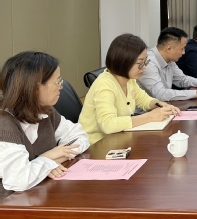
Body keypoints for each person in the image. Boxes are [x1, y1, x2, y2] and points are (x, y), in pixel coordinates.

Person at [0, 51, 90, 191]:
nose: (61, 86)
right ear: (36, 88)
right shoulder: (4, 123)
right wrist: (47, 158)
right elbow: (19, 180)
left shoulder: (44, 110)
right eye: (57, 81)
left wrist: (49, 160)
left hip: (40, 191)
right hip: (10, 200)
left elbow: (80, 137)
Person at [79, 34, 180, 144]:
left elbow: (144, 100)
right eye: (140, 63)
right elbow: (107, 124)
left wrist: (161, 104)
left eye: (145, 62)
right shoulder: (105, 85)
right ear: (123, 61)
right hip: (96, 145)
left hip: (117, 139)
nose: (144, 67)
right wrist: (150, 116)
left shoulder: (129, 79)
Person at [138, 27, 197, 101]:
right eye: (182, 49)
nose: (184, 52)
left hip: (163, 106)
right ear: (169, 48)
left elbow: (181, 79)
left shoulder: (170, 60)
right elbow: (160, 94)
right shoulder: (148, 63)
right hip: (147, 110)